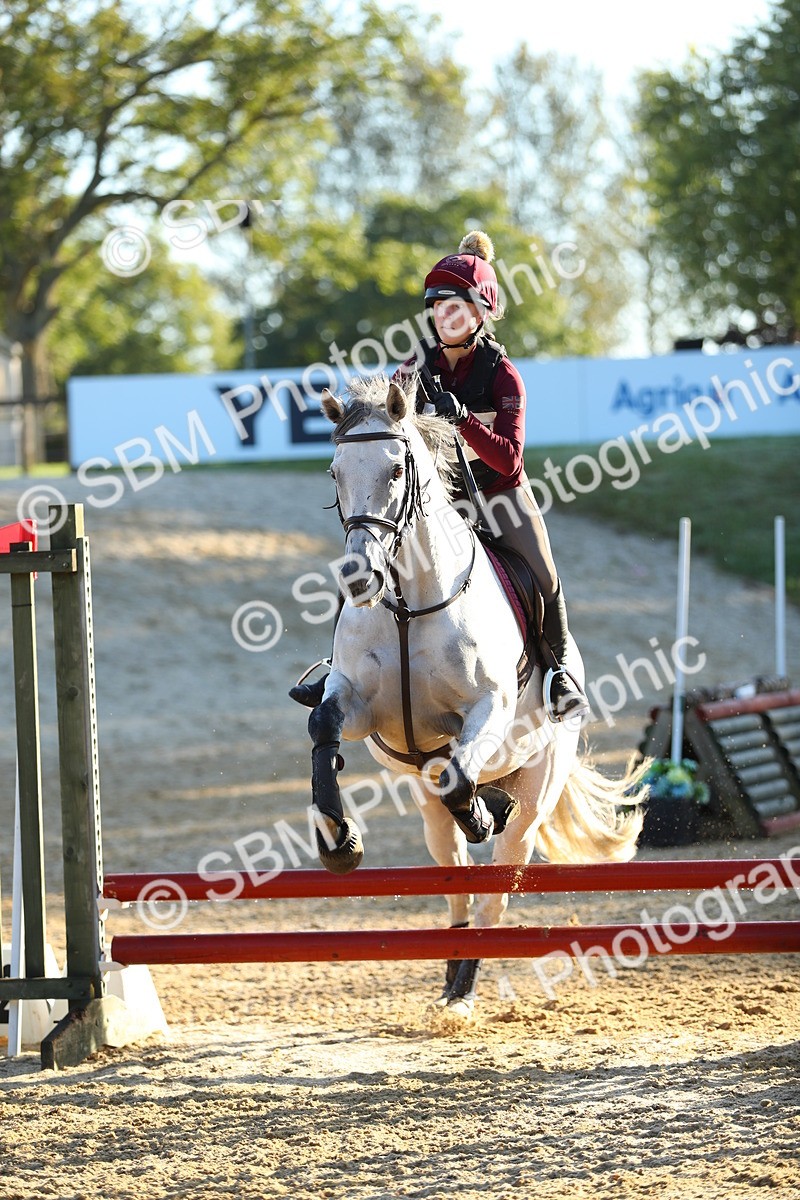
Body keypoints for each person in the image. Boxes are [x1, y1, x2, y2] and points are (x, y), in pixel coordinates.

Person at [290, 229, 589, 722]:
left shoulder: (502, 375)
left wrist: (463, 420)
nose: (444, 316)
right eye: (438, 307)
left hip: (498, 496)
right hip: (436, 500)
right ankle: (336, 668)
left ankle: (558, 675)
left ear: (480, 313)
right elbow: (388, 428)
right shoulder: (415, 366)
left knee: (543, 574)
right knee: (360, 559)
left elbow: (510, 462)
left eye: (456, 307)